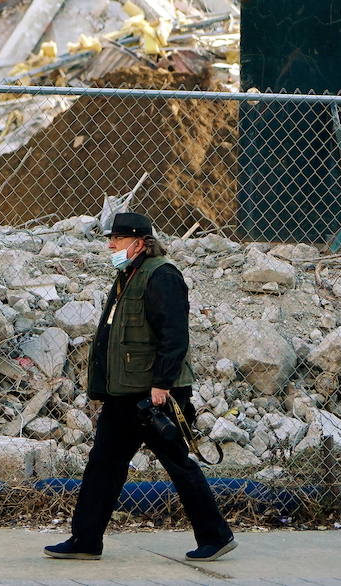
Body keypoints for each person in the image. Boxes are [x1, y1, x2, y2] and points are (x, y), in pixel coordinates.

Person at [44, 212, 236, 563]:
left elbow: (175, 335)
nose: (111, 245)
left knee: (178, 463)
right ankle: (85, 539)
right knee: (103, 464)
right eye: (110, 239)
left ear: (140, 242)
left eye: (117, 239)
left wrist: (162, 384)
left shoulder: (161, 275)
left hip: (153, 394)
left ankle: (216, 535)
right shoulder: (128, 275)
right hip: (125, 394)